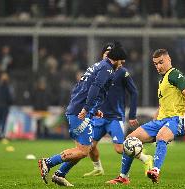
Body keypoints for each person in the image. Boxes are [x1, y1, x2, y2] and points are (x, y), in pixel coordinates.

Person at [38, 42, 127, 186]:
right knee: (84, 151)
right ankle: (47, 163)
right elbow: (94, 88)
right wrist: (85, 109)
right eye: (121, 62)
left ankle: (60, 174)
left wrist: (92, 108)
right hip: (80, 112)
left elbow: (80, 88)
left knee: (83, 148)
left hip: (78, 109)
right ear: (115, 59)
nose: (121, 65)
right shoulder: (107, 69)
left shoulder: (97, 66)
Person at [106, 49, 185, 184]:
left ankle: (155, 171)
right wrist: (156, 116)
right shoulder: (163, 80)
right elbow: (166, 102)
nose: (158, 66)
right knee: (130, 140)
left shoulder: (175, 74)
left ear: (168, 59)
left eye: (161, 62)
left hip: (176, 119)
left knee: (161, 136)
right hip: (161, 120)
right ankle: (123, 177)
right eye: (155, 64)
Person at [83, 43, 143, 177]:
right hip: (98, 116)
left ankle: (145, 158)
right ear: (103, 55)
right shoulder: (98, 70)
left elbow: (134, 92)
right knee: (89, 146)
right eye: (107, 52)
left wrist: (132, 115)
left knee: (119, 149)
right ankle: (98, 168)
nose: (109, 55)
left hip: (114, 117)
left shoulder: (122, 72)